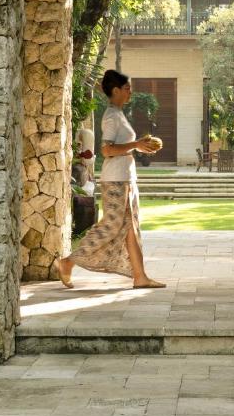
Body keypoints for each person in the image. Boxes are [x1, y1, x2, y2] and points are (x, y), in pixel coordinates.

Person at [57, 69, 166, 289]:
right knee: (111, 225)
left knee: (130, 227)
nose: (130, 92)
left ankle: (140, 277)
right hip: (115, 179)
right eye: (127, 88)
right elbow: (106, 150)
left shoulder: (119, 114)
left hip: (125, 178)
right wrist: (135, 145)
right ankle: (67, 262)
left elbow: (119, 148)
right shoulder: (111, 116)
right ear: (115, 90)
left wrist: (139, 146)